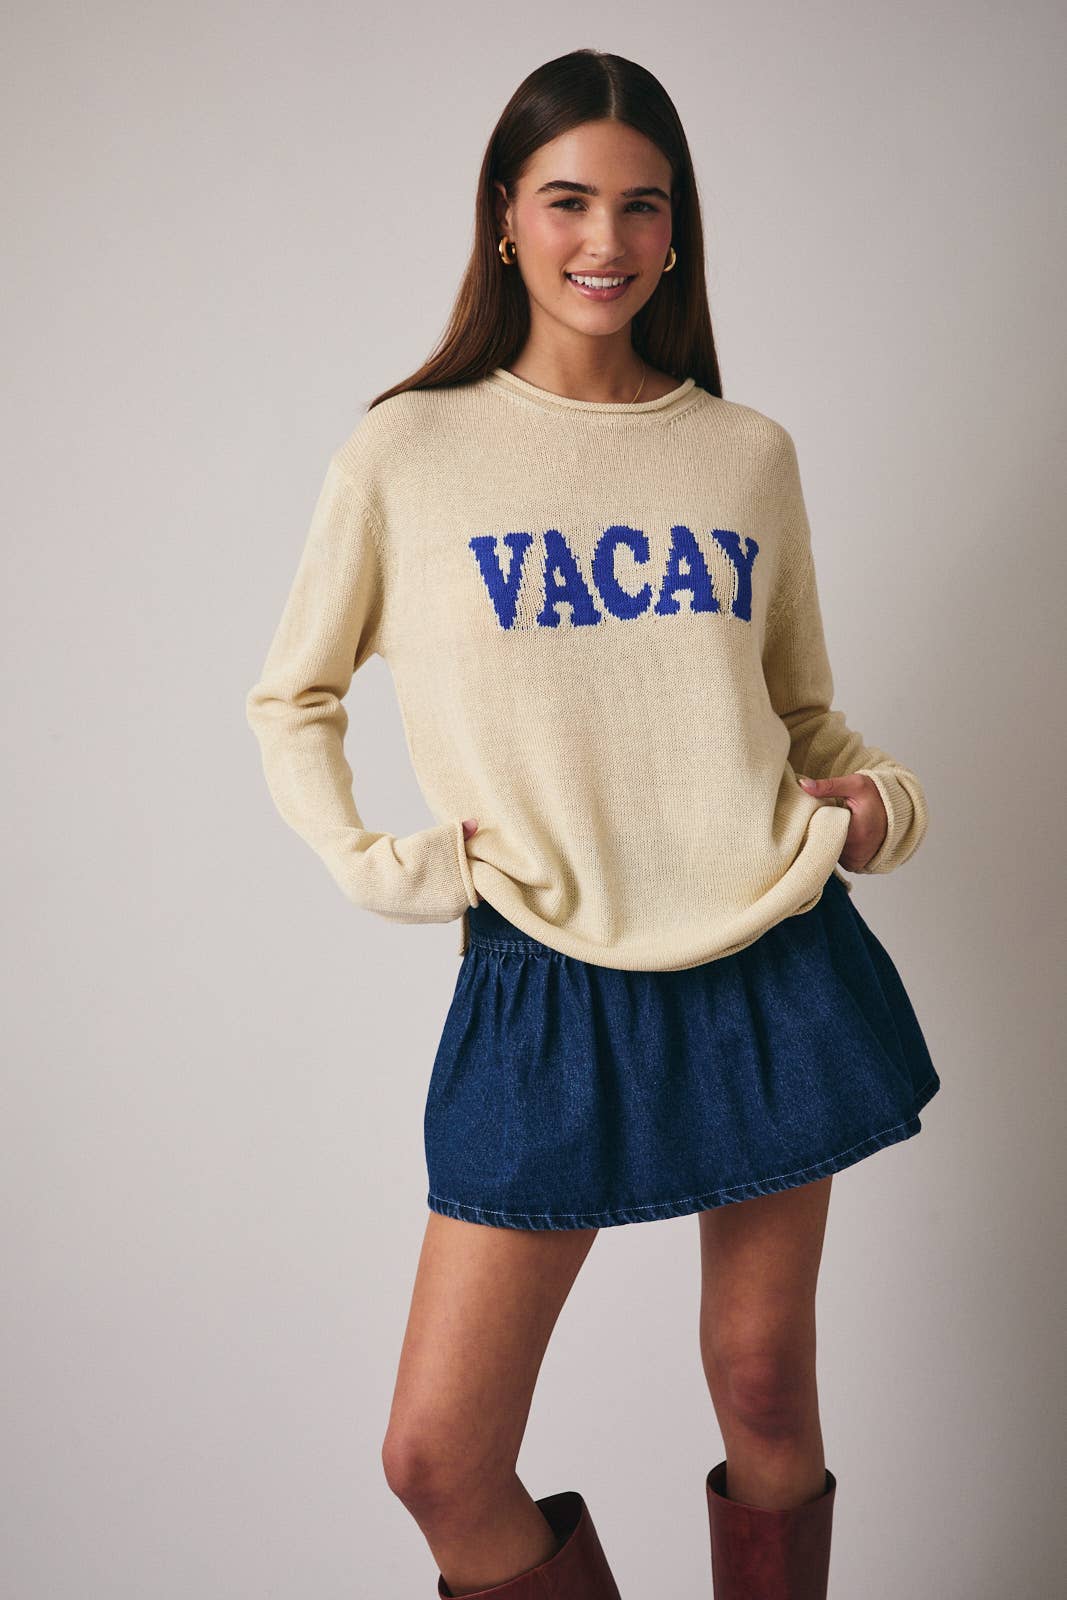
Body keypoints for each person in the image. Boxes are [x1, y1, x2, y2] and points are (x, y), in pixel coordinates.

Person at [245, 47, 940, 1600]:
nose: (605, 241)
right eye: (567, 201)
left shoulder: (744, 454)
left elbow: (804, 715)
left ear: (678, 233)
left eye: (643, 206)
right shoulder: (407, 453)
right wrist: (384, 865)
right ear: (504, 217)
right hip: (545, 980)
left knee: (764, 1388)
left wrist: (883, 806)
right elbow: (291, 697)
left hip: (765, 957)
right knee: (440, 1458)